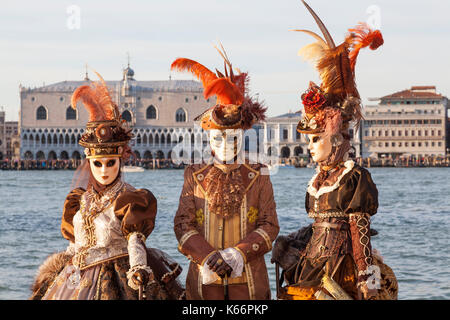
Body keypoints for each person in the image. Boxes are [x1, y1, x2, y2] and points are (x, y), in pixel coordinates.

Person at [271, 1, 397, 300]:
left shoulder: (354, 179)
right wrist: (290, 241)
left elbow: (359, 230)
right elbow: (320, 226)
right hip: (313, 265)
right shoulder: (319, 180)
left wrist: (367, 277)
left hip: (343, 269)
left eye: (316, 139)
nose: (310, 146)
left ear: (337, 139)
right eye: (309, 140)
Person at [30, 72, 184, 300]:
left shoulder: (130, 198)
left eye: (110, 163)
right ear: (89, 163)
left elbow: (135, 240)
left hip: (117, 280)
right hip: (76, 281)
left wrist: (139, 268)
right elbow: (75, 246)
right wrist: (58, 272)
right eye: (97, 164)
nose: (104, 170)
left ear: (120, 161)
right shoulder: (80, 200)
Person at [171, 46, 280, 300]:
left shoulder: (260, 175)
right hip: (203, 285)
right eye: (219, 136)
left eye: (234, 136)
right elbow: (182, 225)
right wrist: (208, 256)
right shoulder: (194, 175)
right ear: (209, 138)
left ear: (243, 135)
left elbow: (270, 225)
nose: (226, 143)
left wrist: (238, 254)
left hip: (250, 287)